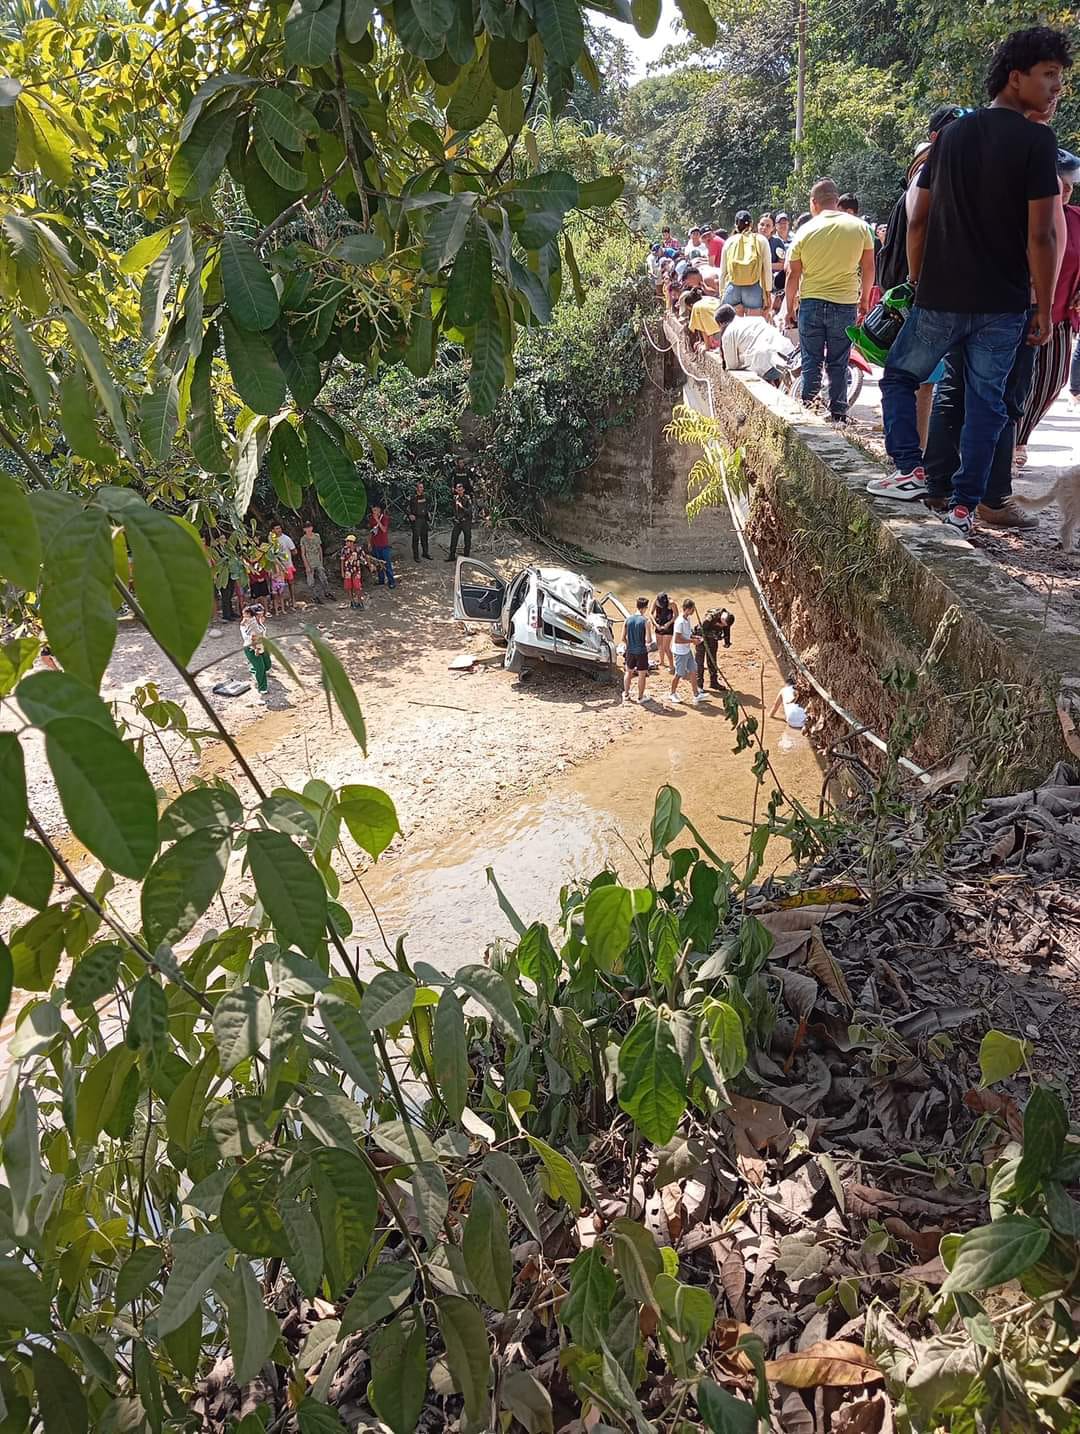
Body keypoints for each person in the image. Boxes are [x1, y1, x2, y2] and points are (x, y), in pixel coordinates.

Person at [869, 27, 1068, 536]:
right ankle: (963, 510)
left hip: (942, 296)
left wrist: (917, 280)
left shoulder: (951, 136)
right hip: (1004, 302)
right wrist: (1044, 306)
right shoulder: (1037, 142)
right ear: (1016, 76)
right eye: (1049, 75)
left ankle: (910, 469)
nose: (1056, 87)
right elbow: (1042, 235)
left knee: (899, 376)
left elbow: (917, 219)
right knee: (987, 405)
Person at [922, 145, 1080, 528]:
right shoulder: (1034, 202)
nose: (1065, 189)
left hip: (972, 304)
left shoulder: (982, 188)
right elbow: (1041, 249)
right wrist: (1041, 306)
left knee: (962, 394)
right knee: (999, 402)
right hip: (1013, 310)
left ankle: (942, 487)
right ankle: (989, 498)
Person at [876, 105, 972, 451]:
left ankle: (913, 458)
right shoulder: (931, 173)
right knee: (920, 381)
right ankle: (914, 457)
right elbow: (916, 226)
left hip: (932, 295)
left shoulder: (939, 173)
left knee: (915, 380)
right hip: (931, 295)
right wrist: (917, 282)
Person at [786, 178, 876, 425]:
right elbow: (869, 267)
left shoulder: (804, 231)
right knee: (839, 361)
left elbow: (793, 274)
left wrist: (789, 308)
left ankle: (808, 411)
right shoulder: (860, 227)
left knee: (811, 360)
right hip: (844, 304)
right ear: (836, 201)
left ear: (813, 203)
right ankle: (838, 414)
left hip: (811, 303)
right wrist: (865, 301)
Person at [1014, 150, 1080, 464]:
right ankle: (1008, 446)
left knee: (1052, 381)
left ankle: (1020, 435)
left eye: (1071, 183)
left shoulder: (1076, 219)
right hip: (1021, 310)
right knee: (1016, 382)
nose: (1066, 189)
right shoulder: (1021, 214)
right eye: (1060, 181)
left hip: (1061, 314)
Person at [714, 305, 796, 382]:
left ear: (721, 324)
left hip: (768, 364)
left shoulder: (728, 332)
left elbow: (732, 366)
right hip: (789, 351)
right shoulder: (756, 319)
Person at [718, 210, 772, 316]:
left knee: (733, 324)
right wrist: (768, 292)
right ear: (751, 224)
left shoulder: (729, 242)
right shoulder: (761, 240)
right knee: (753, 324)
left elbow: (723, 272)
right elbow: (767, 270)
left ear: (736, 225)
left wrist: (721, 293)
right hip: (753, 288)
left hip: (733, 288)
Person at [669, 599, 707, 706]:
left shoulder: (687, 619)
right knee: (679, 673)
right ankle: (672, 693)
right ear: (687, 609)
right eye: (692, 609)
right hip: (680, 652)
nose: (693, 611)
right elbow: (677, 639)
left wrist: (695, 637)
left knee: (693, 670)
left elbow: (687, 634)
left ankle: (696, 694)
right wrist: (692, 641)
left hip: (687, 650)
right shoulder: (680, 621)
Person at [622, 596, 652, 704]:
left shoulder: (627, 619)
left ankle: (626, 694)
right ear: (644, 608)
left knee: (628, 672)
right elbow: (649, 640)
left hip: (630, 651)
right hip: (641, 652)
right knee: (642, 675)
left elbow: (622, 638)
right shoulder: (646, 621)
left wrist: (629, 645)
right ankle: (640, 697)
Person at [695, 607, 732, 691]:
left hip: (713, 640)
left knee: (712, 661)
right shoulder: (710, 617)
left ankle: (714, 682)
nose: (722, 626)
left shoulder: (727, 618)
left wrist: (727, 641)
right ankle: (699, 684)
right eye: (721, 624)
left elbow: (727, 629)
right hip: (701, 638)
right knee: (699, 662)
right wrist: (712, 635)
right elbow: (700, 629)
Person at [240, 602, 271, 696]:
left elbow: (262, 632)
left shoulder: (259, 620)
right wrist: (256, 648)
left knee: (267, 665)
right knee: (261, 668)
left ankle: (253, 669)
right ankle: (262, 688)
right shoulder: (250, 623)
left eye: (262, 612)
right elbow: (250, 637)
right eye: (259, 613)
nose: (261, 615)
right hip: (251, 648)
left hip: (262, 645)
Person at [300, 520, 331, 602]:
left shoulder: (317, 536)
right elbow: (303, 553)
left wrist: (321, 561)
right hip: (309, 561)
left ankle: (327, 592)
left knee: (323, 578)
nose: (308, 529)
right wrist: (306, 566)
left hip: (317, 561)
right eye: (307, 528)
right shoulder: (303, 539)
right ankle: (315, 596)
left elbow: (320, 548)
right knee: (311, 582)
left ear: (312, 528)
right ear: (304, 529)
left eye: (310, 527)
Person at [368, 503, 395, 588]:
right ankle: (381, 580)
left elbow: (384, 530)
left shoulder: (384, 518)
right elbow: (371, 531)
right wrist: (369, 543)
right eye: (373, 510)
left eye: (375, 510)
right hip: (375, 544)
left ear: (379, 510)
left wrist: (377, 520)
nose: (374, 511)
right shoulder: (371, 519)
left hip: (383, 545)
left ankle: (391, 581)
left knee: (387, 564)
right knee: (378, 564)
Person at [270, 524, 296, 607]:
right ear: (273, 530)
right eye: (276, 528)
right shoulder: (272, 540)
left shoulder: (286, 539)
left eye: (279, 528)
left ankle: (293, 600)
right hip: (277, 566)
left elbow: (294, 550)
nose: (279, 530)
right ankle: (280, 603)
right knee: (279, 584)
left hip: (287, 564)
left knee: (290, 583)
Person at [770, 213, 791, 314]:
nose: (783, 225)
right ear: (776, 226)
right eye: (780, 223)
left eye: (785, 222)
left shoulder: (795, 238)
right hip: (777, 278)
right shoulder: (773, 241)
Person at [447, 482, 473, 560]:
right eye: (458, 490)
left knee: (467, 538)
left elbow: (469, 511)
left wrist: (462, 507)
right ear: (456, 490)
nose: (460, 492)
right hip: (458, 521)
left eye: (461, 490)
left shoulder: (467, 498)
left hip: (466, 521)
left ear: (463, 490)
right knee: (454, 538)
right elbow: (453, 509)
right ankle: (451, 556)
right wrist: (455, 517)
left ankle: (466, 555)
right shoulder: (455, 498)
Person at [408, 480, 431, 561]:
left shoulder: (425, 496)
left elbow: (428, 505)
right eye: (420, 487)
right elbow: (406, 506)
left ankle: (425, 553)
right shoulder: (412, 497)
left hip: (424, 519)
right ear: (417, 488)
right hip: (416, 520)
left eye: (422, 487)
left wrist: (428, 512)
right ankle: (416, 556)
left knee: (425, 537)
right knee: (416, 538)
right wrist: (409, 514)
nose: (422, 489)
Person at [340, 533, 365, 609]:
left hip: (356, 570)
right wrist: (342, 571)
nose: (346, 543)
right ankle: (352, 602)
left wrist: (369, 564)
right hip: (347, 570)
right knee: (349, 587)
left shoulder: (358, 549)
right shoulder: (344, 550)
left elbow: (363, 558)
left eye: (348, 541)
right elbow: (342, 561)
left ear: (352, 542)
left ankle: (360, 602)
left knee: (357, 587)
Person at [652, 592, 675, 673]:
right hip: (658, 624)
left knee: (666, 647)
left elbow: (676, 615)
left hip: (668, 626)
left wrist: (668, 623)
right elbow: (650, 613)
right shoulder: (655, 601)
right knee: (660, 645)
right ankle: (662, 662)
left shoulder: (672, 603)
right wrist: (655, 624)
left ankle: (671, 666)